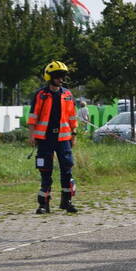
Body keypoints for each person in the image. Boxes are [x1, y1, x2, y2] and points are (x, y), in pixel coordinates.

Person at [28, 60, 79, 214]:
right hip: (45, 138)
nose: (60, 79)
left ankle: (66, 202)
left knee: (67, 170)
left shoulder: (68, 95)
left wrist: (74, 134)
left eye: (62, 76)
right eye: (57, 76)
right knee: (45, 171)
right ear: (49, 77)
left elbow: (72, 116)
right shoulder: (41, 95)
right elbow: (33, 116)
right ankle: (44, 204)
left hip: (63, 139)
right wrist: (31, 135)